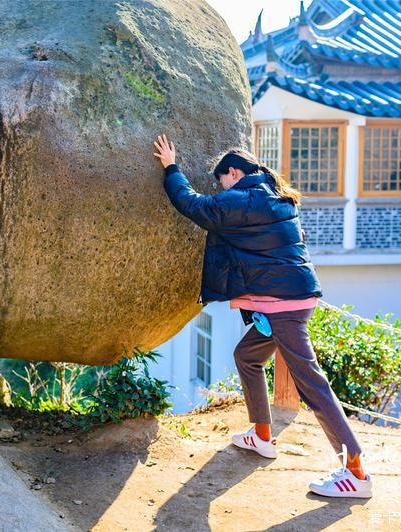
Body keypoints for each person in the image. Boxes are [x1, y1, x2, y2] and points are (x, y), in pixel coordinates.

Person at [152, 134, 372, 499]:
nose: (220, 188)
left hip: (282, 304)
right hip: (289, 299)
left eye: (221, 181)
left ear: (233, 173)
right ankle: (262, 435)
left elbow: (193, 205)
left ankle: (356, 472)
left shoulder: (243, 200)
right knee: (247, 356)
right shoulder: (277, 196)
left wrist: (170, 166)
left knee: (313, 387)